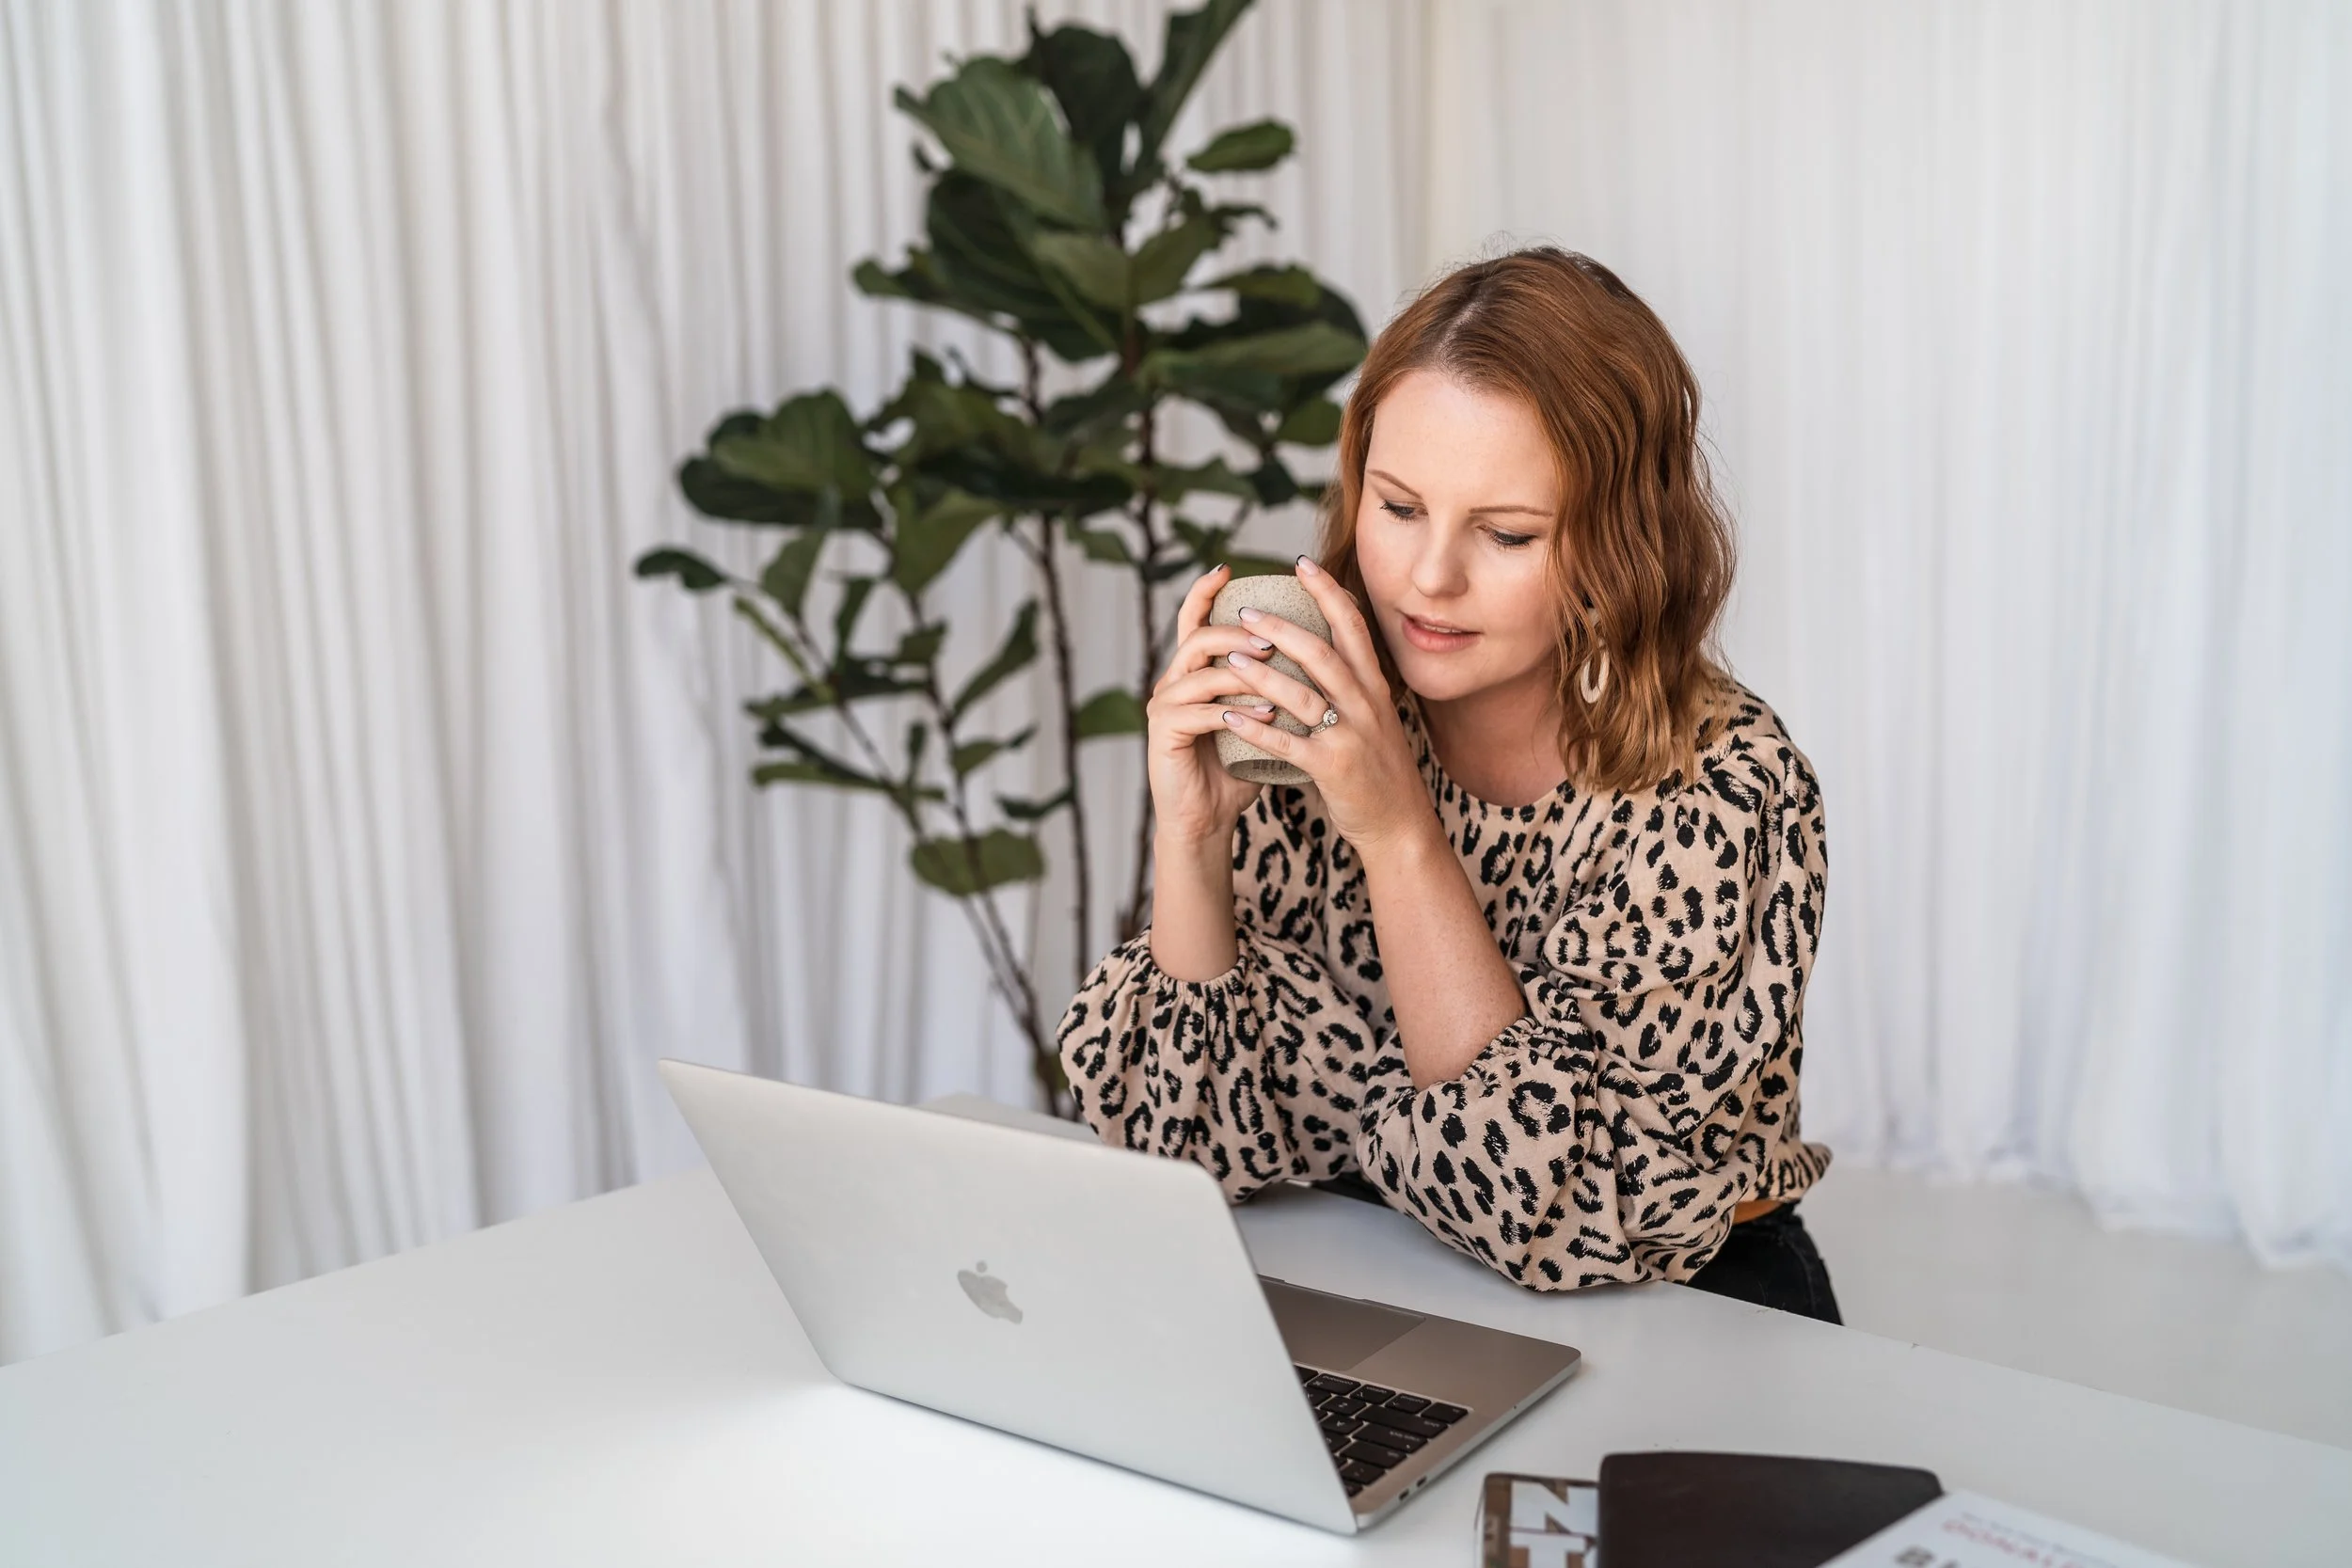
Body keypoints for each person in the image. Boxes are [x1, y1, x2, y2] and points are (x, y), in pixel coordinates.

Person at [1055, 247, 1840, 1324]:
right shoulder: (1322, 714)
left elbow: (1542, 1206)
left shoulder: (1727, 790)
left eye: (1506, 533)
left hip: (1687, 1311)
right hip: (1385, 1273)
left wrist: (1396, 833)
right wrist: (1190, 841)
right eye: (1397, 505)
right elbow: (1178, 1138)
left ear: (1622, 542)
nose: (1430, 577)